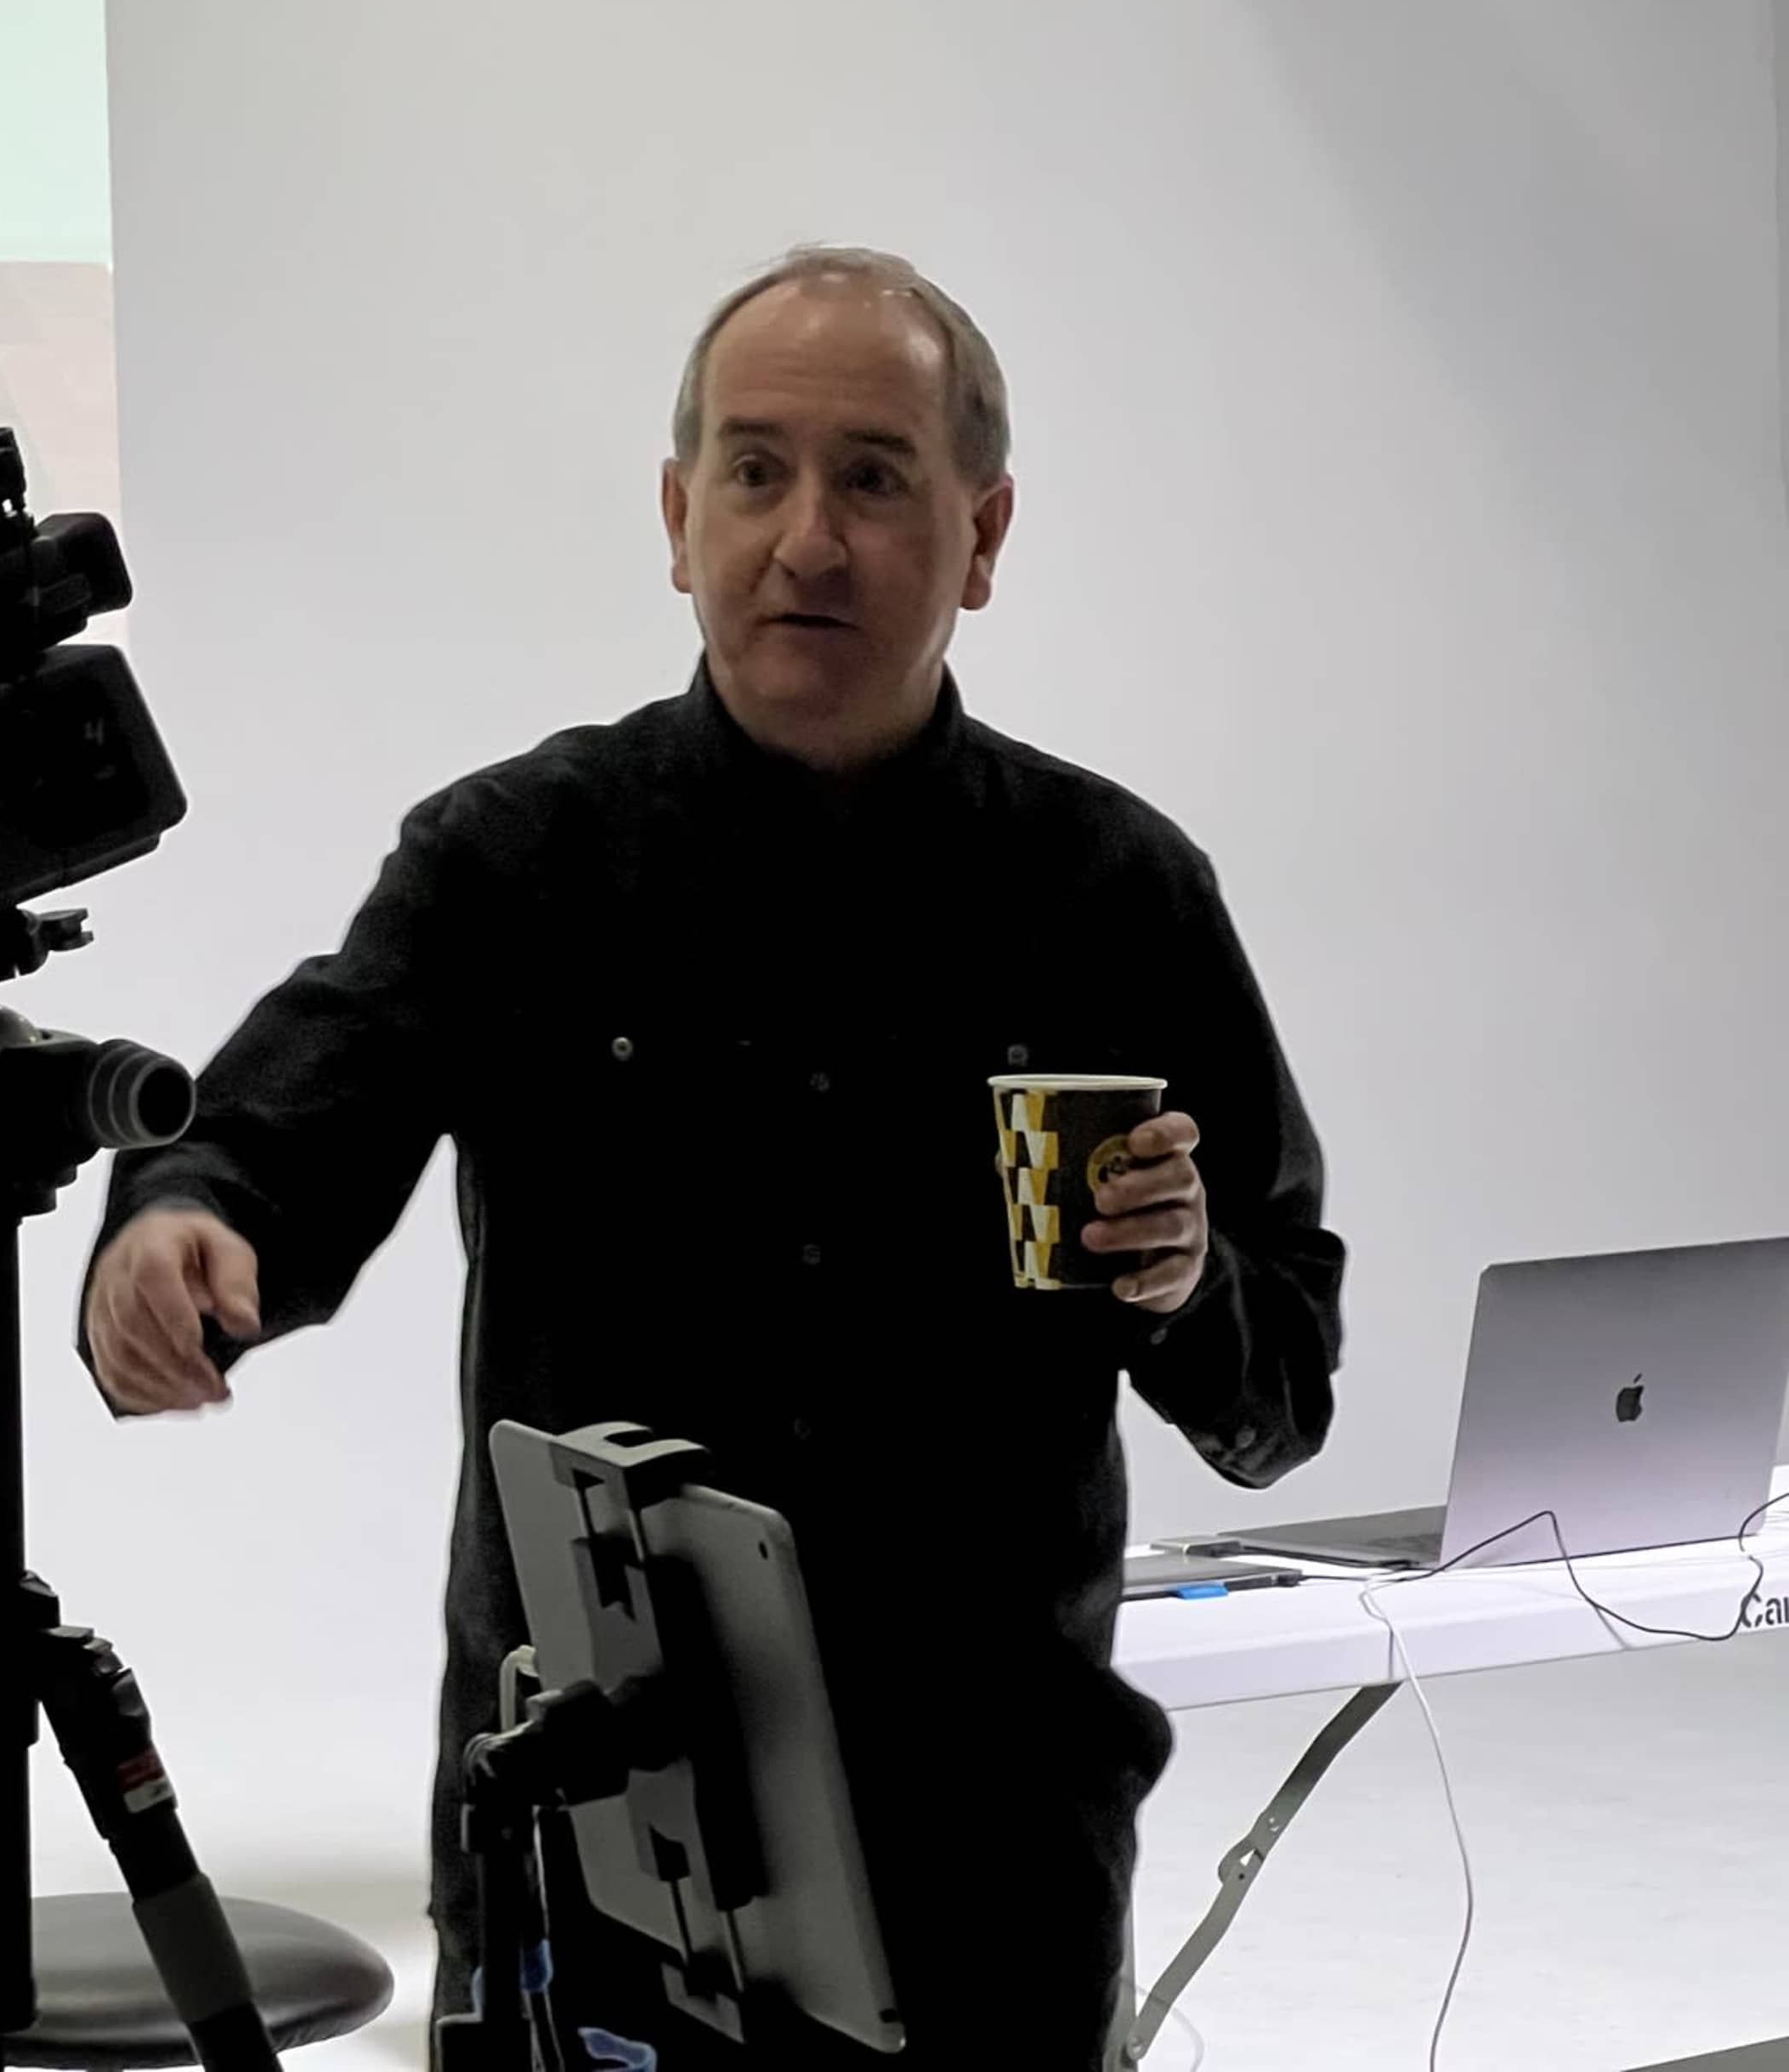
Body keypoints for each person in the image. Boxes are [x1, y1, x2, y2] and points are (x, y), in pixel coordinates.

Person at [74, 248, 1346, 2069]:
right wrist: (179, 1226)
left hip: (987, 1852)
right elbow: (287, 1123)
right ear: (679, 518)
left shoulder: (1117, 895)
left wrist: (1187, 1280)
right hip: (589, 1834)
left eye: (875, 478)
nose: (806, 538)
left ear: (983, 539)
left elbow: (1282, 1381)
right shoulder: (517, 859)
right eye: (754, 471)